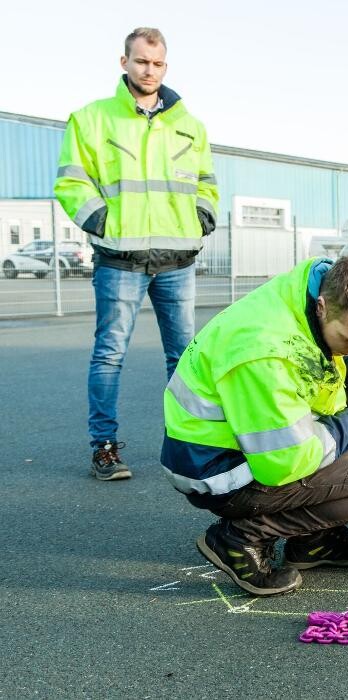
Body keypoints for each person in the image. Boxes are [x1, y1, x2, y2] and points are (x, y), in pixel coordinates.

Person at [161, 254, 348, 596]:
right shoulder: (262, 351)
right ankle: (243, 537)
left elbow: (315, 361)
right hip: (221, 470)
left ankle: (315, 542)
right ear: (324, 307)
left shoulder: (303, 296)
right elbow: (284, 463)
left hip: (232, 448)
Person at [54, 27, 219, 481]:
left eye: (158, 63)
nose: (150, 70)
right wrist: (101, 222)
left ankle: (187, 444)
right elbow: (71, 181)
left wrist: (202, 216)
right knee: (109, 354)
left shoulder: (190, 125)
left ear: (166, 66)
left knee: (185, 358)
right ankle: (104, 448)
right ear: (124, 62)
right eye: (142, 61)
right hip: (120, 259)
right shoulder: (91, 119)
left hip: (178, 260)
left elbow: (207, 181)